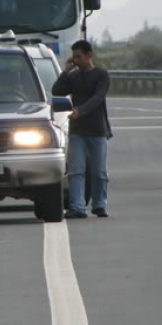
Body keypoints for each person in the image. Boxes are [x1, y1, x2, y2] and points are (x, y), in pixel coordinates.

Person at [52, 40, 112, 219]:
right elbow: (57, 90)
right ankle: (77, 207)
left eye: (79, 56)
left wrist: (80, 111)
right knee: (76, 171)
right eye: (74, 57)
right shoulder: (74, 76)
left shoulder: (101, 75)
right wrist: (66, 71)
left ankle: (100, 205)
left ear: (89, 55)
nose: (76, 60)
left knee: (99, 171)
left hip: (97, 130)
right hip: (77, 131)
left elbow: (98, 97)